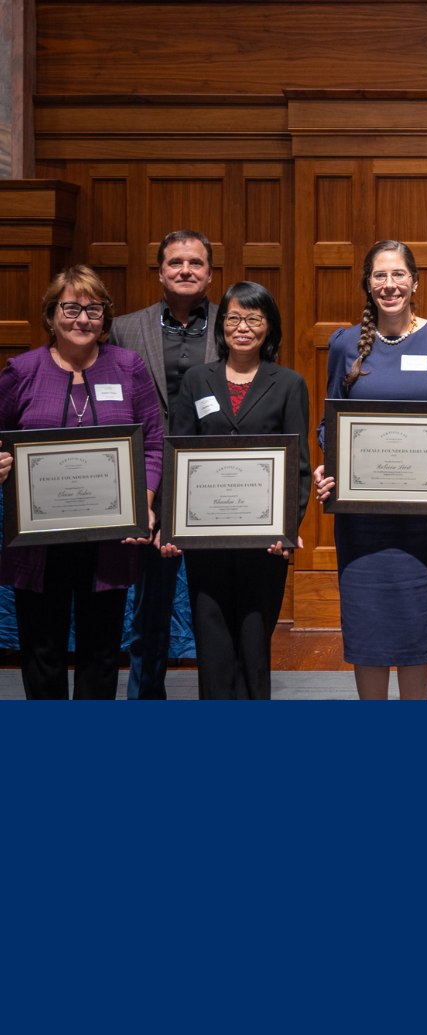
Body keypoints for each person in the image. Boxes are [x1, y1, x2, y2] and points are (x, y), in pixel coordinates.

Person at [314, 241, 427, 701]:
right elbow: (329, 425)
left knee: (415, 623)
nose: (390, 285)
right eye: (380, 276)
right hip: (362, 514)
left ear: (415, 281)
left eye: (398, 275)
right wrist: (334, 467)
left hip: (422, 514)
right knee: (367, 625)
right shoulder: (346, 343)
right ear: (368, 284)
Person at [0, 266, 161, 699]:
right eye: (71, 308)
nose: (82, 319)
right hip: (38, 539)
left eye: (93, 309)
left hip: (109, 537)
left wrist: (142, 502)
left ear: (105, 317)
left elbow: (153, 444)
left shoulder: (128, 368)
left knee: (102, 650)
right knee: (42, 649)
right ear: (51, 315)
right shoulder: (22, 371)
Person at [163, 282, 310, 700]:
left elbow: (298, 468)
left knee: (254, 637)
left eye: (254, 318)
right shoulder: (195, 380)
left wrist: (286, 529)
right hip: (205, 538)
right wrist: (173, 526)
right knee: (211, 638)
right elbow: (178, 457)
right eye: (233, 318)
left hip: (264, 542)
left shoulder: (288, 383)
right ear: (220, 325)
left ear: (269, 327)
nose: (242, 327)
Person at [108, 229, 219, 699]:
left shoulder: (236, 323)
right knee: (150, 606)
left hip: (217, 482)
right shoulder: (124, 329)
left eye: (195, 263)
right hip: (150, 481)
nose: (185, 271)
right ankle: (145, 700)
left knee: (217, 603)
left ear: (210, 273)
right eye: (176, 263)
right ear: (160, 272)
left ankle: (223, 698)